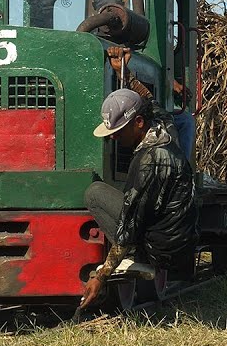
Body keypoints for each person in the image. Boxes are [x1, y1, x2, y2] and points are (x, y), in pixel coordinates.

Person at [79, 89, 197, 307]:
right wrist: (128, 73)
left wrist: (101, 276)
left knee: (95, 193)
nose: (113, 137)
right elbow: (154, 104)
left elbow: (128, 226)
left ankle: (137, 258)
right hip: (178, 239)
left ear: (139, 122)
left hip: (161, 249)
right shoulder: (165, 127)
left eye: (119, 131)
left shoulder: (148, 162)